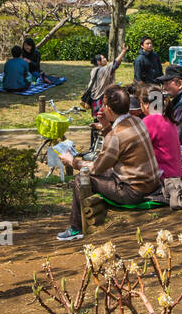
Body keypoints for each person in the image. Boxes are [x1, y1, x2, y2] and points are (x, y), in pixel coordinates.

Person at [56, 84, 160, 241]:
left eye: (104, 105)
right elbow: (116, 152)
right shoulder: (137, 121)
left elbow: (97, 168)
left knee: (81, 179)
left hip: (133, 191)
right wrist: (106, 127)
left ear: (109, 109)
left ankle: (75, 228)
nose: (102, 108)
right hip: (151, 183)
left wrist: (73, 162)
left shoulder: (115, 135)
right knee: (100, 172)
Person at [132, 81, 182, 184]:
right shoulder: (168, 119)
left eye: (140, 103)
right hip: (175, 174)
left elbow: (134, 150)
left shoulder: (149, 121)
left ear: (146, 105)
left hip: (163, 177)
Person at [83, 46, 129, 113]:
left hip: (94, 97)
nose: (105, 59)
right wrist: (123, 52)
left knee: (97, 117)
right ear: (98, 62)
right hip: (101, 97)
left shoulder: (94, 70)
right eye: (103, 58)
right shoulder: (103, 70)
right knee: (103, 115)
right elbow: (115, 64)